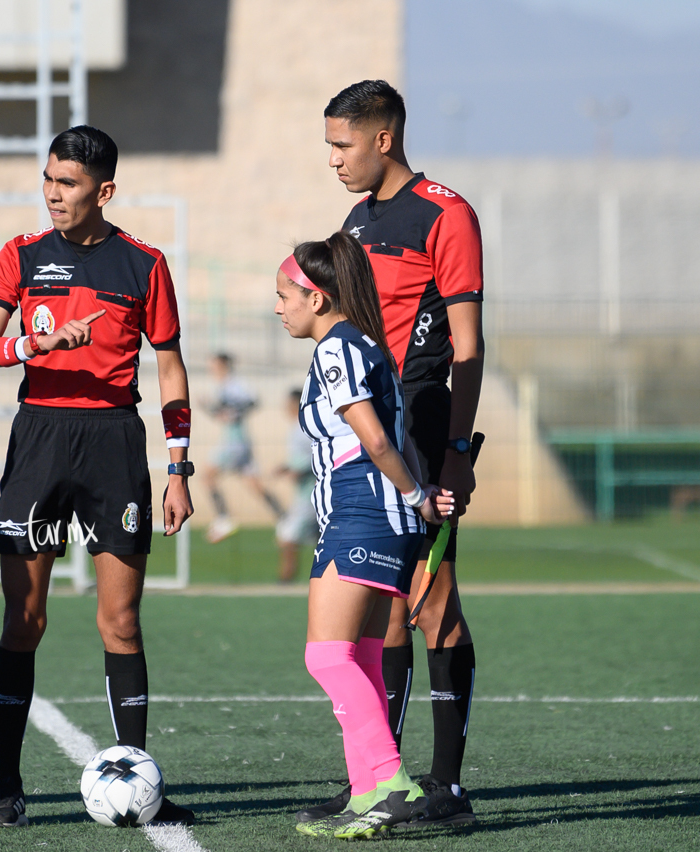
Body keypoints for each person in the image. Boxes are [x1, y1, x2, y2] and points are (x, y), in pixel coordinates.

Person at [0, 125, 196, 828]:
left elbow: (170, 366)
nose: (52, 195)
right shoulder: (21, 256)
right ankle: (6, 787)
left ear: (105, 191)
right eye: (47, 180)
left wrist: (179, 466)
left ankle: (139, 778)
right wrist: (32, 342)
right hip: (38, 437)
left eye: (66, 184)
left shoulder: (144, 265)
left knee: (121, 621)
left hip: (113, 443)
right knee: (24, 619)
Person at [305, 79, 485, 827]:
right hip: (374, 438)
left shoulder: (446, 213)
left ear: (384, 138)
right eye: (329, 147)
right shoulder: (356, 218)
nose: (334, 161)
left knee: (432, 604)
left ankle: (445, 788)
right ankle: (382, 781)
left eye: (342, 145)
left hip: (425, 427)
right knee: (382, 616)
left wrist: (454, 453)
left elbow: (468, 350)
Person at [275, 233, 455, 839]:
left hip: (364, 513)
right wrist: (423, 496)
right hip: (380, 515)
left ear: (318, 298)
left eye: (285, 295)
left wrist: (413, 496)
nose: (278, 306)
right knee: (364, 655)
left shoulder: (337, 350)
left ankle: (392, 781)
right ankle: (367, 794)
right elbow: (395, 441)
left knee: (324, 654)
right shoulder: (364, 345)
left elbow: (377, 442)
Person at [202, 353, 283, 543]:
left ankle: (223, 519)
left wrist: (233, 409)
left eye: (214, 365)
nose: (212, 369)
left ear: (223, 365)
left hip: (234, 443)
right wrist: (209, 407)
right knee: (255, 484)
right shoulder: (223, 386)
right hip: (237, 440)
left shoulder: (234, 384)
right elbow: (223, 413)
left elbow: (253, 401)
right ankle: (284, 517)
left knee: (207, 476)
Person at [274, 389, 315, 582]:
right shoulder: (296, 428)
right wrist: (285, 467)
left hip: (311, 495)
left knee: (288, 535)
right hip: (302, 495)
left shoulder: (305, 428)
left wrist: (297, 471)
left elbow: (316, 457)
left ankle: (286, 580)